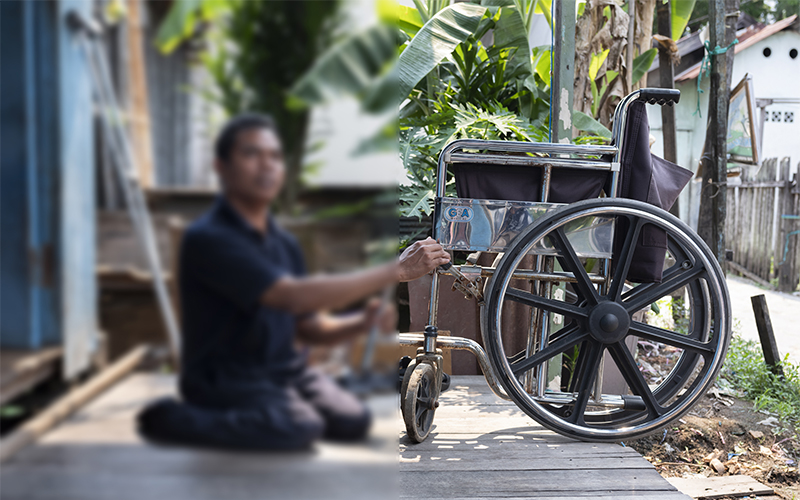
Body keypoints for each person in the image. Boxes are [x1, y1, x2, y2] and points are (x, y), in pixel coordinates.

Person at [137, 113, 449, 450]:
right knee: (300, 427)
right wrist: (394, 271)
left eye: (273, 157)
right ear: (222, 167)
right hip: (225, 378)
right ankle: (184, 416)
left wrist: (359, 324)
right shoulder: (210, 238)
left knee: (351, 421)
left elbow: (306, 328)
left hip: (283, 373)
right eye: (251, 154)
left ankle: (288, 406)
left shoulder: (282, 241)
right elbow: (288, 296)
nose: (266, 165)